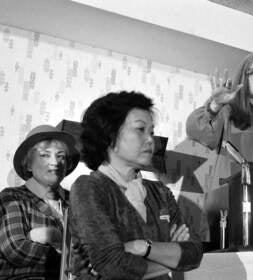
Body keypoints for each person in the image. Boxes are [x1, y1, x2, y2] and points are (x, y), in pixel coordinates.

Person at [69, 91, 203, 279]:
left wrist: (142, 247)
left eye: (151, 132)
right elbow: (114, 265)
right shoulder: (89, 188)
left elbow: (195, 253)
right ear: (109, 135)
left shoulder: (160, 191)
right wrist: (171, 257)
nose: (150, 140)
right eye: (140, 129)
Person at [186, 51, 253, 247]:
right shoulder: (228, 113)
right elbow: (196, 130)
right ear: (243, 79)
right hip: (226, 212)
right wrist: (214, 105)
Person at [0, 125, 80, 279]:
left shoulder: (77, 201)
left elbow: (96, 250)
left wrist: (42, 239)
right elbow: (16, 249)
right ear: (28, 164)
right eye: (45, 155)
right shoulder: (12, 197)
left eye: (61, 156)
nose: (55, 162)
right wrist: (65, 252)